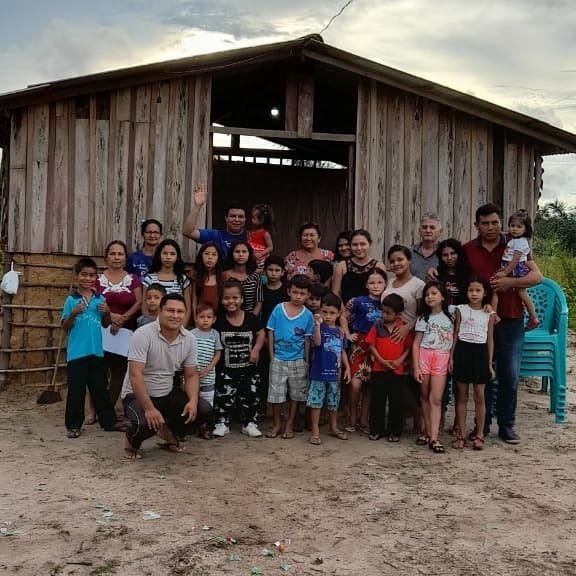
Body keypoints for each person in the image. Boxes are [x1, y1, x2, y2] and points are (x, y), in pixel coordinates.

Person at [464, 203, 542, 444]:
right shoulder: (468, 250)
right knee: (483, 374)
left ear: (501, 224)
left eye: (495, 222)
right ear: (477, 225)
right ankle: (482, 424)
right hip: (479, 322)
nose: (490, 227)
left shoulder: (515, 244)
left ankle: (507, 425)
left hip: (511, 319)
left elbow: (536, 276)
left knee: (509, 374)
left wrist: (508, 282)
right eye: (485, 223)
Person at [122, 293, 211, 458]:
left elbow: (191, 375)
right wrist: (149, 409)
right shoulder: (142, 334)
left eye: (180, 311)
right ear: (160, 311)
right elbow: (135, 375)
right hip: (136, 394)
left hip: (166, 392)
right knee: (145, 423)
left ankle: (169, 433)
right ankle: (131, 441)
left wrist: (192, 401)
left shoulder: (189, 339)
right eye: (170, 310)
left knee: (202, 409)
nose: (175, 316)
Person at [62, 258, 126, 439]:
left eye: (91, 275)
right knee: (76, 390)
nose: (88, 278)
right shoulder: (71, 300)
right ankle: (73, 425)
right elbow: (65, 327)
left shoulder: (100, 299)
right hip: (76, 353)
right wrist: (73, 313)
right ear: (77, 276)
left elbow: (105, 324)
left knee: (100, 388)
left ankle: (108, 421)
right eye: (84, 275)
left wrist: (107, 312)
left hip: (97, 351)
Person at [213, 280, 266, 438]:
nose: (231, 301)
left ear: (242, 299)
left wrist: (256, 349)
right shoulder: (219, 321)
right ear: (221, 300)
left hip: (249, 369)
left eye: (235, 297)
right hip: (226, 370)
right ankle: (222, 422)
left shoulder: (251, 318)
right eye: (227, 298)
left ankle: (250, 423)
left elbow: (261, 333)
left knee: (251, 397)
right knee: (223, 397)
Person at [95, 240, 142, 409]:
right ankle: (92, 409)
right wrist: (111, 316)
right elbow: (92, 302)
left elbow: (139, 302)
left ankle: (108, 408)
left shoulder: (133, 279)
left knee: (118, 372)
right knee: (97, 371)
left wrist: (122, 319)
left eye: (120, 254)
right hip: (99, 330)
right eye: (112, 253)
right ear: (106, 257)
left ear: (125, 258)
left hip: (125, 332)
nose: (116, 257)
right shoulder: (97, 279)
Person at [266, 274, 314, 439]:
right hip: (278, 358)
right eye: (295, 292)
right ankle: (277, 423)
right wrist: (272, 356)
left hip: (298, 360)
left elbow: (307, 340)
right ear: (288, 291)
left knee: (296, 394)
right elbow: (270, 332)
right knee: (276, 393)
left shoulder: (308, 315)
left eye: (302, 293)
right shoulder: (279, 309)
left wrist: (306, 361)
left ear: (307, 295)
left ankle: (289, 423)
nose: (298, 297)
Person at [450, 277, 496, 451]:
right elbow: (455, 334)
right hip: (462, 352)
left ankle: (479, 434)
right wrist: (452, 357)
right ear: (466, 292)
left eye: (478, 290)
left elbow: (490, 339)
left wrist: (489, 363)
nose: (474, 294)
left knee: (479, 396)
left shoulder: (489, 314)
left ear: (484, 293)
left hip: (480, 354)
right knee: (461, 397)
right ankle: (460, 434)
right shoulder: (460, 310)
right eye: (471, 290)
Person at [412, 282, 454, 453]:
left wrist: (489, 307)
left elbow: (472, 306)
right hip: (425, 356)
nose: (430, 297)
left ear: (443, 297)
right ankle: (426, 431)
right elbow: (416, 343)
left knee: (436, 398)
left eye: (434, 293)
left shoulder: (452, 313)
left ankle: (434, 438)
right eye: (427, 294)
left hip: (442, 357)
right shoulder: (423, 318)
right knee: (424, 395)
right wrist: (416, 367)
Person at [343, 268, 387, 432]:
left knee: (370, 386)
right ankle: (352, 416)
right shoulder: (359, 301)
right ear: (366, 285)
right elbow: (342, 316)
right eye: (372, 283)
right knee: (355, 384)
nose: (376, 286)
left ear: (385, 284)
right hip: (359, 345)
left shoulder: (386, 302)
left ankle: (364, 420)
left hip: (378, 346)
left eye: (379, 282)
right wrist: (347, 334)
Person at [365, 293, 412, 442]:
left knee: (396, 401)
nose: (384, 315)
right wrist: (381, 361)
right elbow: (371, 345)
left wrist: (399, 361)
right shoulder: (377, 325)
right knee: (377, 401)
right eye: (383, 311)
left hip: (397, 370)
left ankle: (395, 431)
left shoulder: (403, 327)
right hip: (379, 369)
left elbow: (408, 348)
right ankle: (376, 430)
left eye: (388, 313)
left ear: (398, 314)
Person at [307, 293, 351, 445]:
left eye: (332, 313)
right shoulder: (318, 328)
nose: (328, 316)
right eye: (324, 312)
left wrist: (348, 368)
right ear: (320, 311)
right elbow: (317, 343)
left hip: (334, 374)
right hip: (319, 373)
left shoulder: (340, 332)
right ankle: (315, 431)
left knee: (333, 403)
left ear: (339, 313)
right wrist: (317, 326)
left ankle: (333, 427)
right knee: (316, 403)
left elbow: (342, 350)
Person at [492, 209, 539, 330]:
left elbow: (515, 260)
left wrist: (505, 273)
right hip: (509, 267)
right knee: (513, 291)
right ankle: (495, 314)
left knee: (502, 288)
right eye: (512, 226)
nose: (514, 229)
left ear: (525, 229)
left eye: (519, 226)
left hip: (514, 268)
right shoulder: (514, 239)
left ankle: (533, 317)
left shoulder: (521, 242)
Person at [183, 186, 247, 259]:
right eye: (233, 216)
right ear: (226, 218)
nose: (236, 219)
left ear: (245, 219)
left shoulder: (251, 237)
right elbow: (188, 232)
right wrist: (197, 206)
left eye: (240, 217)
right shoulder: (216, 235)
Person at [142, 239, 192, 327]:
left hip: (176, 325)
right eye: (165, 253)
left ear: (177, 257)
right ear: (159, 255)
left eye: (172, 254)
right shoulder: (149, 278)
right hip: (153, 325)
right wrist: (152, 327)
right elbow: (144, 306)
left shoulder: (182, 279)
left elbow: (187, 307)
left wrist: (181, 328)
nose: (168, 257)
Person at [332, 229, 387, 306]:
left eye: (363, 244)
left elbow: (383, 292)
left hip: (372, 313)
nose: (359, 248)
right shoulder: (342, 266)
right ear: (350, 246)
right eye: (355, 245)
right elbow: (335, 293)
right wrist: (343, 312)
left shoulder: (379, 266)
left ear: (369, 244)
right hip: (346, 312)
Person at [222, 241, 263, 317]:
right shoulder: (224, 276)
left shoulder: (256, 277)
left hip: (250, 320)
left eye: (244, 251)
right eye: (237, 251)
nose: (241, 254)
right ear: (232, 254)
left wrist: (250, 321)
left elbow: (258, 303)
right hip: (227, 319)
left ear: (249, 254)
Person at [192, 242, 223, 321]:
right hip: (200, 319)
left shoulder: (223, 277)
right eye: (206, 254)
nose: (210, 257)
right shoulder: (195, 276)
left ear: (218, 258)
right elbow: (194, 302)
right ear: (201, 256)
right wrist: (196, 320)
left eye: (214, 254)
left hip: (218, 319)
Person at [435, 238, 471, 305]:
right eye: (445, 255)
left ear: (459, 253)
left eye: (453, 253)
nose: (449, 258)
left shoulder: (469, 273)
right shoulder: (437, 275)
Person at [411, 213, 443, 281]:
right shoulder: (409, 253)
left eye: (432, 227)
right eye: (424, 227)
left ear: (440, 231)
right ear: (420, 231)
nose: (428, 231)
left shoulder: (445, 254)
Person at [248, 203, 275, 269]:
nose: (251, 220)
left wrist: (260, 254)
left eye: (254, 218)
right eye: (252, 217)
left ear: (262, 220)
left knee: (260, 273)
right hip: (251, 258)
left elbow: (270, 247)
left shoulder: (265, 233)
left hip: (261, 259)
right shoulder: (251, 231)